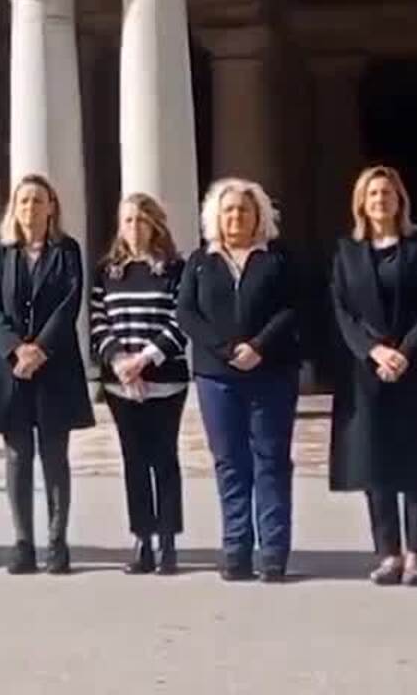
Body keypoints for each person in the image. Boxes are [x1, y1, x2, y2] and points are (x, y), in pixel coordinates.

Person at [327, 167, 417, 588]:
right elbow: (342, 310)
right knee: (377, 463)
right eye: (373, 193)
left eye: (387, 192)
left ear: (400, 200)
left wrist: (404, 352)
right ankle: (388, 553)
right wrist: (373, 351)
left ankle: (416, 556)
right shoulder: (347, 251)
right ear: (361, 201)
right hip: (366, 372)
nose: (380, 200)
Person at [179, 178, 304, 583]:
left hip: (272, 373)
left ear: (258, 216)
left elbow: (292, 307)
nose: (236, 217)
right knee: (230, 463)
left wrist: (259, 347)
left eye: (244, 210)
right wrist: (225, 350)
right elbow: (187, 314)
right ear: (217, 216)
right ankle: (236, 547)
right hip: (217, 377)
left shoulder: (278, 259)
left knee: (270, 461)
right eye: (228, 210)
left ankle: (273, 552)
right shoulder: (201, 261)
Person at [0, 174, 90, 576]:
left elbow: (69, 303)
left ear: (51, 207)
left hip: (54, 365)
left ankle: (57, 543)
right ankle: (23, 543)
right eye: (23, 201)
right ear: (15, 208)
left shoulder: (67, 250)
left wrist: (40, 348)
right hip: (10, 369)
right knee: (17, 455)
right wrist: (15, 349)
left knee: (54, 456)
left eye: (37, 201)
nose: (30, 208)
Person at [91, 193, 189, 577]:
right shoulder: (108, 272)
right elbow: (99, 322)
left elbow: (181, 323)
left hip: (165, 380)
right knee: (134, 460)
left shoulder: (174, 269)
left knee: (164, 458)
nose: (134, 227)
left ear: (156, 224)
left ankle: (167, 540)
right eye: (127, 220)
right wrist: (120, 362)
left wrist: (145, 360)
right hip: (121, 384)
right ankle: (142, 539)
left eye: (141, 220)